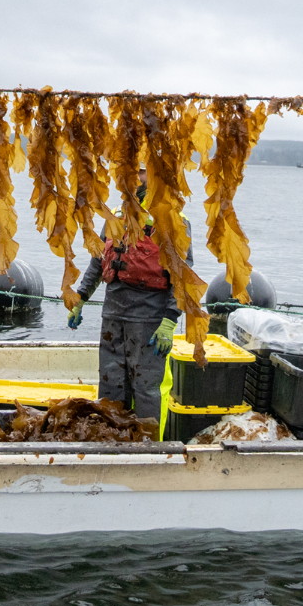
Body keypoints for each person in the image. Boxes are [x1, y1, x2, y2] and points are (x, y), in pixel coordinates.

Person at [68, 164, 192, 425]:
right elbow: (98, 260)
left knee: (146, 389)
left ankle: (148, 445)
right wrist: (80, 298)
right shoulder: (115, 215)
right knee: (110, 386)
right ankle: (112, 440)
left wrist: (170, 321)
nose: (137, 177)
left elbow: (183, 276)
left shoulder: (174, 219)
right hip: (113, 316)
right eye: (133, 171)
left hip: (149, 320)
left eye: (143, 171)